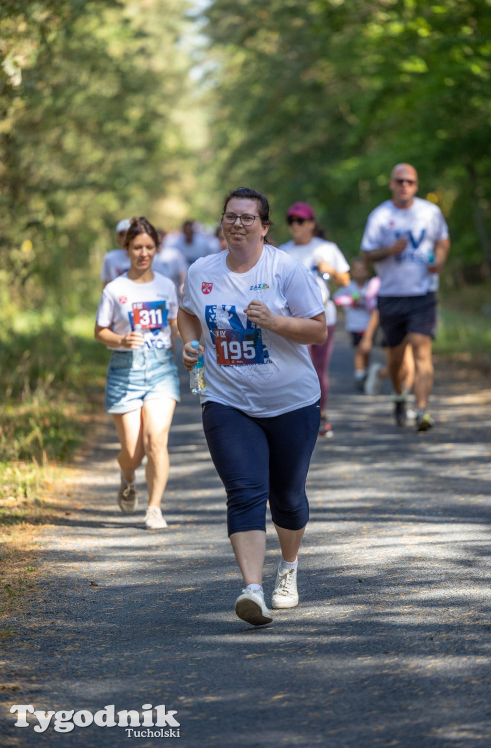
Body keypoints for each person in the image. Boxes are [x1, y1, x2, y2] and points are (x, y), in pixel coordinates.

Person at [177, 187, 326, 627]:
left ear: (264, 227)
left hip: (292, 403)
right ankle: (252, 590)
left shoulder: (286, 270)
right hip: (226, 401)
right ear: (222, 223)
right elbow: (186, 314)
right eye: (230, 216)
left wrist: (275, 321)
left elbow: (317, 331)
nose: (237, 224)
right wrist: (188, 343)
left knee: (288, 497)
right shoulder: (201, 271)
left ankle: (288, 568)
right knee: (244, 492)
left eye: (247, 218)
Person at [95, 216, 180, 529]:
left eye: (149, 247)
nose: (143, 253)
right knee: (133, 451)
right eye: (137, 247)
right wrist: (121, 339)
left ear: (156, 249)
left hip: (160, 368)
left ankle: (154, 508)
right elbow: (99, 331)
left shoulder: (166, 285)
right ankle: (128, 475)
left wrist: (190, 340)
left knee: (156, 439)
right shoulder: (115, 290)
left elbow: (174, 323)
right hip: (124, 369)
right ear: (126, 248)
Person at [361, 163, 450, 431]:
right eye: (399, 181)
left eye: (409, 182)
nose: (404, 186)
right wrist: (389, 249)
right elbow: (366, 254)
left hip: (422, 292)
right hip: (390, 295)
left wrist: (440, 261)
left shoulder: (430, 212)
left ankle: (422, 410)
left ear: (416, 185)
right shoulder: (379, 216)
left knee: (422, 351)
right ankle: (399, 396)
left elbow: (442, 241)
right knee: (396, 358)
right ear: (391, 184)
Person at [280, 202, 350, 438]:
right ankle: (297, 414)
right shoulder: (283, 252)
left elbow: (345, 281)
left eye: (300, 221)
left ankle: (320, 415)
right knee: (298, 367)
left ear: (311, 223)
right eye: (291, 221)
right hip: (293, 318)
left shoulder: (326, 248)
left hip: (323, 315)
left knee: (319, 369)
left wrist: (328, 270)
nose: (295, 225)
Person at [333, 259, 380, 392]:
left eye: (363, 270)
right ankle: (359, 375)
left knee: (367, 351)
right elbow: (336, 299)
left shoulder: (371, 286)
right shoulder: (348, 286)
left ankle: (365, 372)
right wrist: (349, 301)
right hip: (354, 325)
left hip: (370, 324)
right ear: (352, 272)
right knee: (360, 349)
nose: (360, 272)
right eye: (357, 270)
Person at [101, 219, 131, 286]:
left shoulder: (148, 258)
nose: (125, 238)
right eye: (121, 235)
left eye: (128, 234)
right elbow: (106, 283)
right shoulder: (110, 258)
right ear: (118, 239)